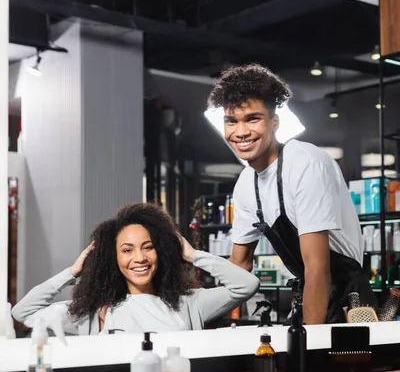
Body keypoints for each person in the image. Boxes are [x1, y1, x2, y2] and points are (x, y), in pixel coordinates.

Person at [207, 63, 376, 324]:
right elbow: (240, 265)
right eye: (232, 121)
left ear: (274, 122)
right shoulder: (245, 184)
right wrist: (200, 315)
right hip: (309, 292)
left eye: (253, 118)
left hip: (349, 302)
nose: (240, 132)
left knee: (333, 365)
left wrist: (309, 344)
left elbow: (318, 267)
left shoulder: (305, 163)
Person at [12, 202, 260, 334]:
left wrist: (192, 255)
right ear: (114, 258)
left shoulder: (190, 303)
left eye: (148, 247)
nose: (139, 258)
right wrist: (72, 272)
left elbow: (247, 285)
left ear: (160, 251)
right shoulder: (95, 313)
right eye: (127, 250)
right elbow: (23, 312)